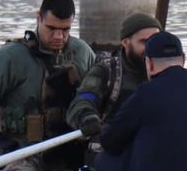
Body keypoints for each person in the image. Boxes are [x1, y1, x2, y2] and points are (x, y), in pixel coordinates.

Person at [0, 0, 97, 171]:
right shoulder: (11, 57)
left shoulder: (82, 53)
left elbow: (102, 98)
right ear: (38, 18)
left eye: (65, 30)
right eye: (51, 28)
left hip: (72, 150)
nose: (58, 36)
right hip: (23, 153)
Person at [93, 31, 187, 171]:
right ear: (183, 59)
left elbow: (110, 142)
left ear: (149, 63)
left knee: (103, 160)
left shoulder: (144, 94)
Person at [66, 11, 162, 139]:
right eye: (144, 42)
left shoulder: (167, 70)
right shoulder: (106, 70)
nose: (151, 48)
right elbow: (83, 99)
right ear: (125, 42)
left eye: (155, 41)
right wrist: (87, 116)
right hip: (109, 147)